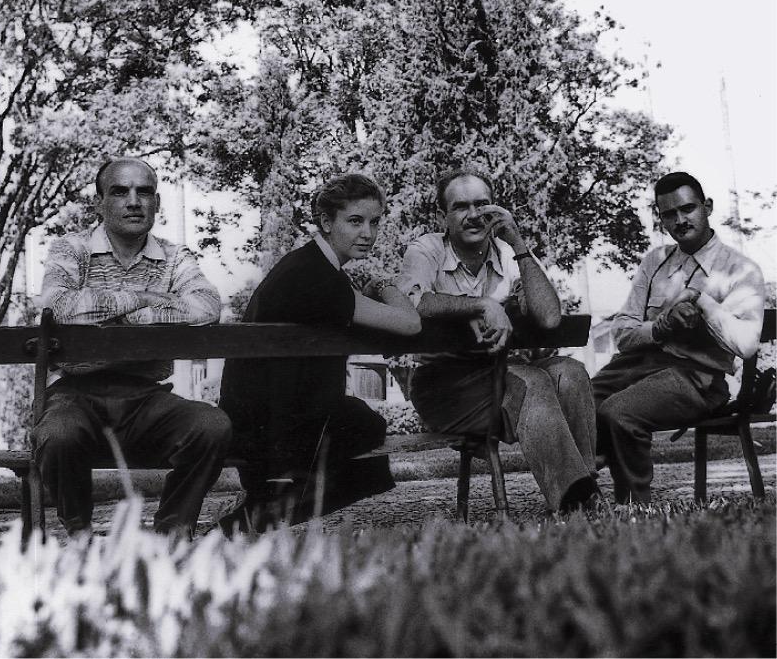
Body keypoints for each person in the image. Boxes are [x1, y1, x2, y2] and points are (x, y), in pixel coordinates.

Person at [36, 156, 232, 537]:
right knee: (56, 433)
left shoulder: (175, 257)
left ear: (156, 203)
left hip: (147, 398)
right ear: (100, 203)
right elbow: (57, 306)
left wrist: (135, 315)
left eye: (145, 192)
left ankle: (171, 534)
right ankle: (79, 536)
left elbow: (206, 306)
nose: (133, 201)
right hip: (77, 395)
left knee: (212, 425)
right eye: (120, 191)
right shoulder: (71, 249)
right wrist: (141, 298)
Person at [218, 173, 421, 533]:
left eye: (375, 222)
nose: (368, 234)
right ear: (327, 222)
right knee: (365, 429)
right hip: (270, 429)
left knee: (362, 425)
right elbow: (409, 324)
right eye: (355, 221)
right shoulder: (315, 276)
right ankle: (251, 519)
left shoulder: (310, 266)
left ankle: (258, 512)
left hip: (266, 417)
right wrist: (388, 284)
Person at [396, 168, 599, 513]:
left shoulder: (507, 252)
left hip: (500, 375)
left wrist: (519, 243)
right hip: (445, 385)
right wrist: (482, 304)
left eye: (483, 204)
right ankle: (574, 504)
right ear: (442, 215)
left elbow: (549, 317)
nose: (474, 215)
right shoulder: (427, 248)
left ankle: (588, 489)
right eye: (460, 207)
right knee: (531, 377)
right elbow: (415, 301)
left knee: (570, 371)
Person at [593, 171, 765, 504]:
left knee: (618, 412)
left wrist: (701, 301)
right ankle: (584, 495)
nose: (680, 219)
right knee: (578, 403)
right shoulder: (655, 262)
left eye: (688, 208)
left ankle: (634, 507)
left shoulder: (741, 270)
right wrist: (660, 327)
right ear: (661, 219)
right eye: (669, 214)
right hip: (637, 364)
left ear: (707, 207)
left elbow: (746, 345)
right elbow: (621, 332)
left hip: (698, 378)